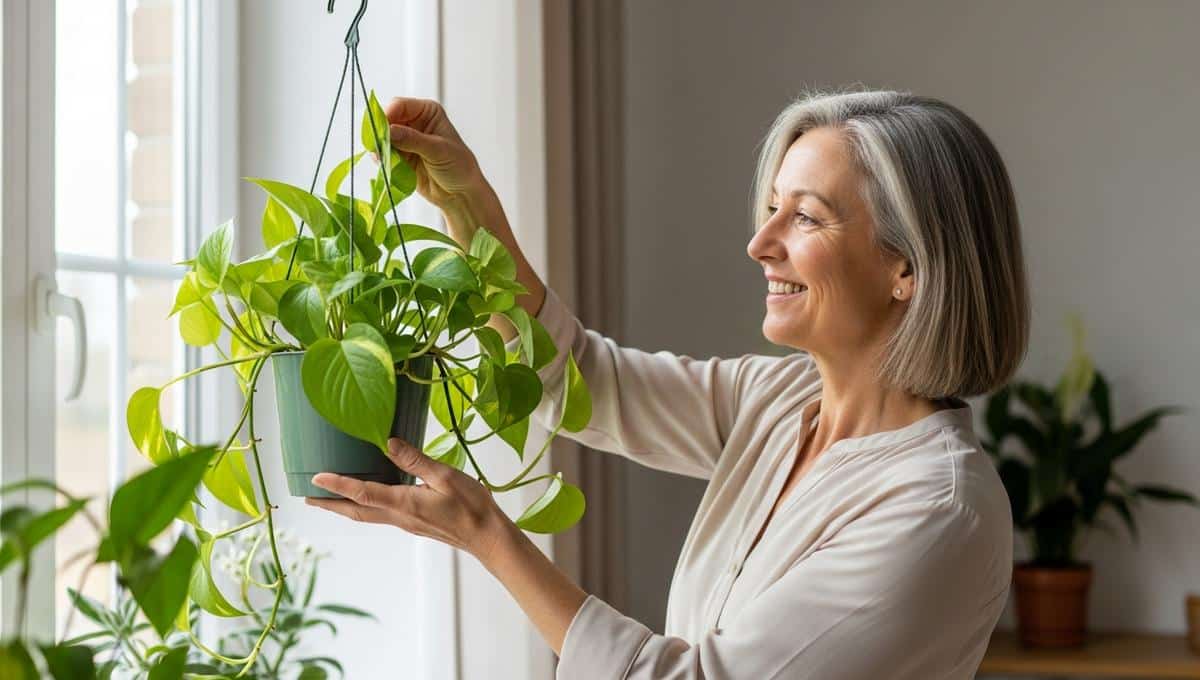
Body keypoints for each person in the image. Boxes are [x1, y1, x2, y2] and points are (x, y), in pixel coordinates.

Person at [305, 88, 1029, 679]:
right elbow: (578, 380)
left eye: (806, 215)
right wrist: (467, 204)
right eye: (772, 204)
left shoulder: (937, 509)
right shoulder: (776, 405)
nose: (760, 242)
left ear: (908, 267)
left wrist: (491, 538)